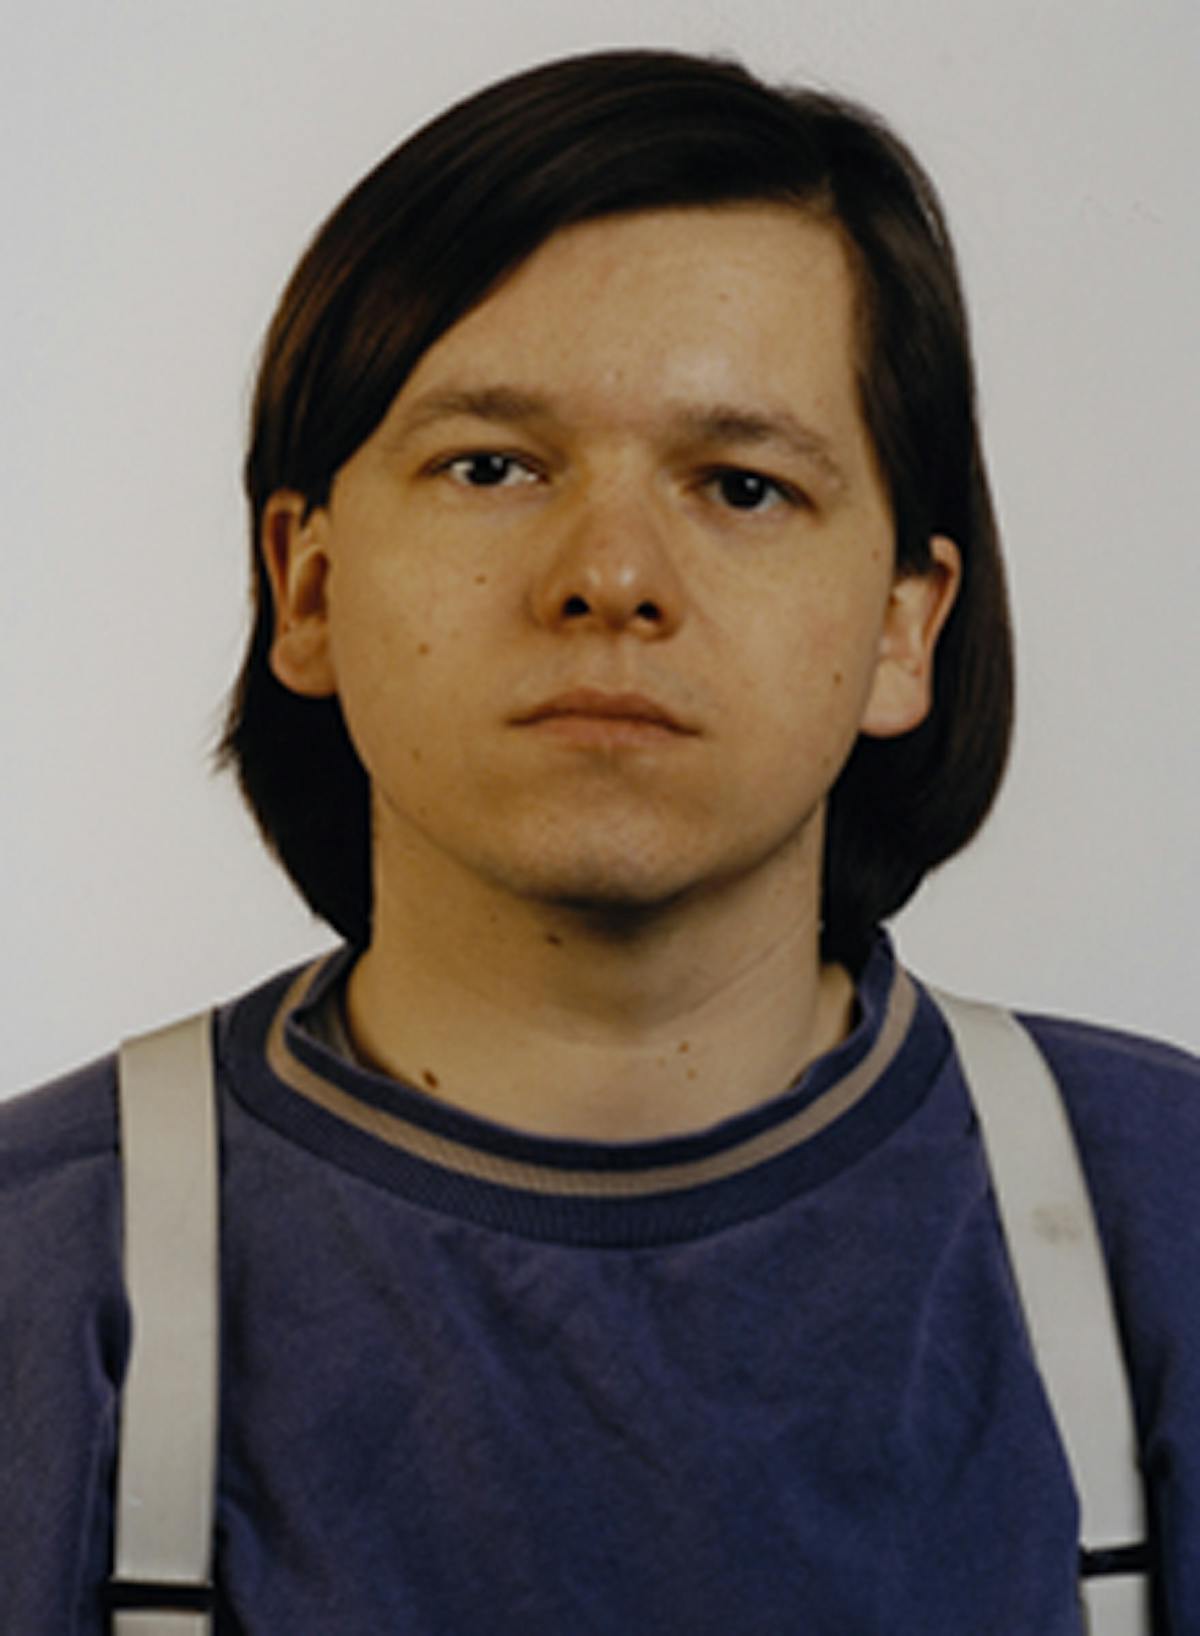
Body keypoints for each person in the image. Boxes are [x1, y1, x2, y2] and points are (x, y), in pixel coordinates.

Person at [1, 47, 1196, 1635]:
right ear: (307, 586)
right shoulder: (37, 1276)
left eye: (744, 486)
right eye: (491, 466)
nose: (612, 577)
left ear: (904, 630)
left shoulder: (1163, 1221)